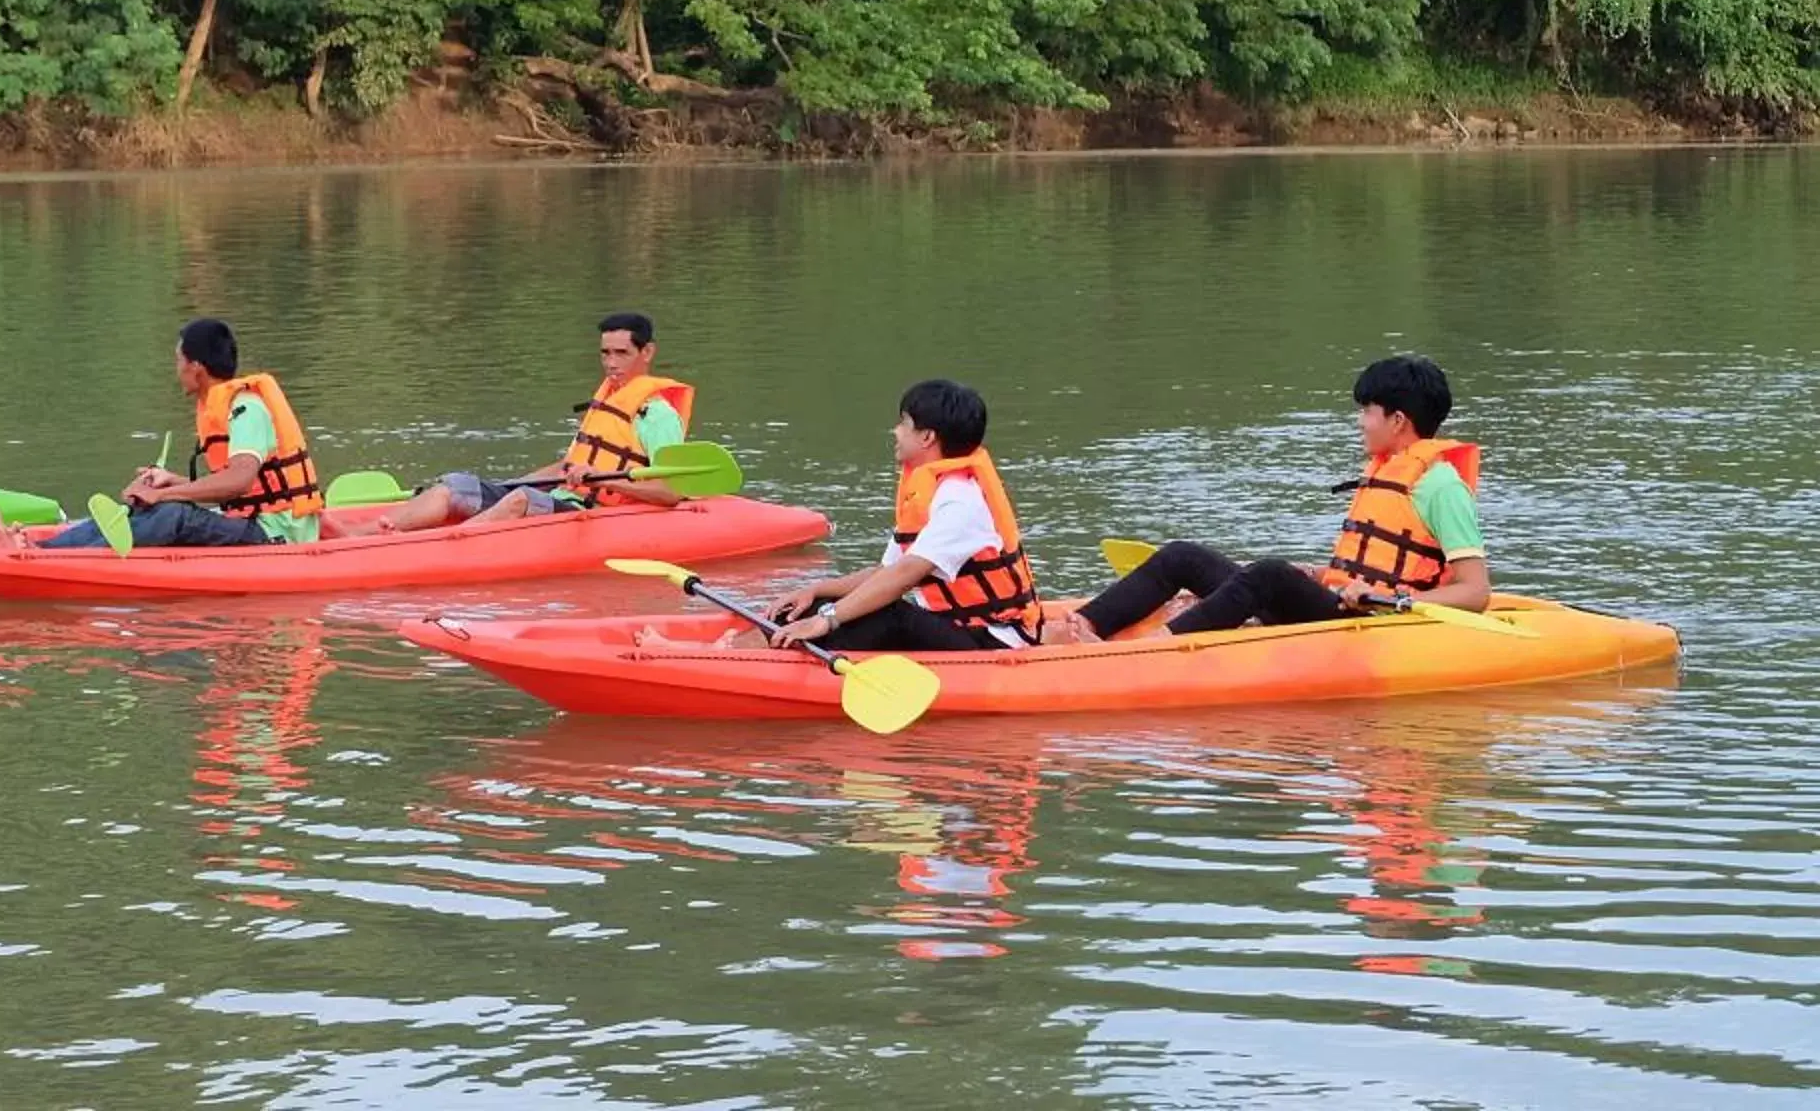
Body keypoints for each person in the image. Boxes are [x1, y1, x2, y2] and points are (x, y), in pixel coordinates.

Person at [1045, 355, 1488, 643]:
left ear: (1397, 420)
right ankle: (1083, 626)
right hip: (1335, 604)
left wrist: (1391, 600)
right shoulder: (1386, 472)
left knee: (1268, 574)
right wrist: (1317, 573)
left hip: (1371, 625)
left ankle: (1154, 648)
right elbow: (1364, 563)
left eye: (1366, 411)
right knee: (1184, 556)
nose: (1360, 422)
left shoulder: (1441, 487)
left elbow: (1475, 592)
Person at [737, 378, 1042, 653]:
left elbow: (901, 578)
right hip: (960, 628)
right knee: (826, 607)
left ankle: (745, 657)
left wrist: (826, 619)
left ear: (927, 437)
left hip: (994, 642)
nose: (895, 431)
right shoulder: (933, 490)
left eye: (903, 423)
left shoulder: (960, 501)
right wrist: (816, 590)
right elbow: (886, 572)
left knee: (885, 613)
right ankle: (747, 648)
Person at [0, 318, 323, 550]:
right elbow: (237, 492)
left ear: (196, 368)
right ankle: (36, 546)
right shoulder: (225, 406)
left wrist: (165, 496)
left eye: (178, 361)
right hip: (249, 519)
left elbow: (238, 482)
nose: (176, 370)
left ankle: (45, 559)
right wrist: (170, 482)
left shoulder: (245, 409)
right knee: (142, 508)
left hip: (275, 535)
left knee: (171, 512)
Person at [349, 314, 692, 536]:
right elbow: (566, 465)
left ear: (646, 353)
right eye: (605, 353)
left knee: (522, 500)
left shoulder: (657, 415)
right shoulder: (606, 400)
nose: (611, 363)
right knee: (458, 485)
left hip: (597, 513)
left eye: (621, 354)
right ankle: (354, 537)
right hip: (565, 495)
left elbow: (670, 492)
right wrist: (508, 484)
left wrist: (607, 481)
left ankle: (428, 547)